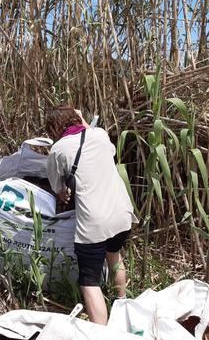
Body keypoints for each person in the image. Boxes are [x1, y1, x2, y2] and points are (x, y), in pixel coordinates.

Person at [45, 106, 137, 325]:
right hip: (122, 215)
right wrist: (82, 119)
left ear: (52, 129)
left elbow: (58, 188)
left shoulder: (58, 149)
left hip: (94, 224)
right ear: (77, 118)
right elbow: (101, 147)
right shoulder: (101, 135)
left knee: (89, 280)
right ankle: (122, 305)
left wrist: (65, 191)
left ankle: (101, 333)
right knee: (114, 256)